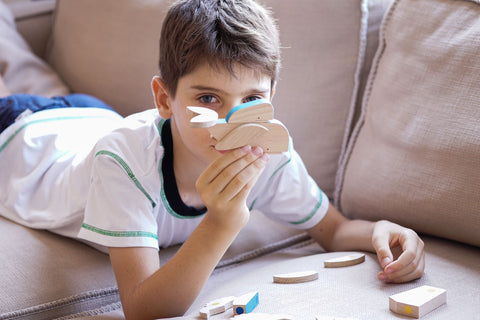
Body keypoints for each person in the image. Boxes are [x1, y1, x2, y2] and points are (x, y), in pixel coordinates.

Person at [0, 0, 425, 318]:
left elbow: (335, 230)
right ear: (164, 99)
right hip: (26, 134)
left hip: (90, 115)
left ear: (271, 97)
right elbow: (144, 307)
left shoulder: (270, 154)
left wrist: (381, 231)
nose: (231, 123)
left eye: (252, 100)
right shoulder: (125, 161)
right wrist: (222, 221)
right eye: (208, 99)